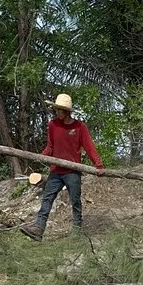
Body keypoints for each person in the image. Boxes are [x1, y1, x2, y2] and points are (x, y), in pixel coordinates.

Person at [20, 93, 104, 241]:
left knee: (75, 200)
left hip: (72, 171)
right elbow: (50, 146)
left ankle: (77, 231)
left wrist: (98, 164)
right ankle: (39, 228)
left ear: (67, 112)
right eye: (56, 109)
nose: (57, 112)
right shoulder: (53, 125)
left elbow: (89, 146)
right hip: (56, 171)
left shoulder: (79, 127)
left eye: (60, 110)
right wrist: (41, 157)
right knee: (47, 198)